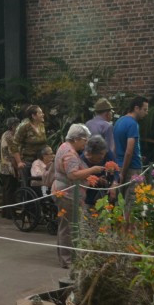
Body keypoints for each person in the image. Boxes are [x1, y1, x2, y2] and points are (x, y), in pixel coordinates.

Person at [52, 124, 104, 268]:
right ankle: (68, 260)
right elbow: (72, 174)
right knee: (69, 226)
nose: (86, 143)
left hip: (63, 190)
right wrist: (92, 170)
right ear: (76, 139)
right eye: (84, 140)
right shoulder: (70, 152)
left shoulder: (64, 147)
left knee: (65, 226)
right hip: (67, 193)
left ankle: (67, 258)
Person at [115, 96, 149, 207]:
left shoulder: (119, 121)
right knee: (134, 203)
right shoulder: (133, 124)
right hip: (132, 168)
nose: (146, 113)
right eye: (145, 109)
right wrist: (123, 173)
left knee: (120, 203)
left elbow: (116, 147)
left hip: (119, 164)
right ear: (136, 108)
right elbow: (129, 151)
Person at [9, 105, 48, 186]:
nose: (43, 114)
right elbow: (14, 144)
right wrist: (19, 162)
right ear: (33, 116)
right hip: (27, 161)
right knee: (27, 185)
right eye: (40, 113)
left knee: (40, 185)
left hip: (39, 160)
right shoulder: (24, 126)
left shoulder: (41, 125)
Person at [81, 134, 114, 208]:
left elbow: (116, 170)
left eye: (103, 154)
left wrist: (114, 184)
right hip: (87, 195)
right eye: (100, 155)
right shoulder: (82, 159)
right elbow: (80, 177)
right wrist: (97, 180)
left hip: (105, 193)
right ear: (90, 153)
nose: (103, 156)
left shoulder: (107, 153)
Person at [0, 117, 21, 219]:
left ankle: (6, 212)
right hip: (9, 167)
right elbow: (10, 152)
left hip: (6, 166)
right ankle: (10, 213)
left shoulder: (6, 134)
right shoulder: (9, 136)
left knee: (7, 190)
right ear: (13, 126)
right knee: (10, 190)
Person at [86, 98, 116, 162]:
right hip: (101, 160)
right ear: (107, 113)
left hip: (87, 159)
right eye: (111, 112)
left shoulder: (88, 123)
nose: (112, 114)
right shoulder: (108, 126)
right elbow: (110, 149)